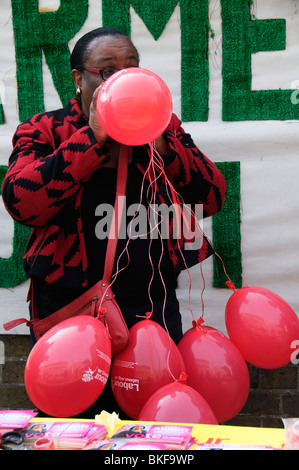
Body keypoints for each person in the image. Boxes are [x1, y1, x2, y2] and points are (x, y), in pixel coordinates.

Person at [2, 27, 226, 418]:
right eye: (107, 70)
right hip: (72, 307)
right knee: (76, 421)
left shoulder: (163, 128)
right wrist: (91, 138)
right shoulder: (46, 129)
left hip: (150, 309)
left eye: (131, 67)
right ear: (79, 79)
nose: (121, 77)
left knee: (154, 424)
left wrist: (162, 145)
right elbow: (23, 203)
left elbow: (213, 196)